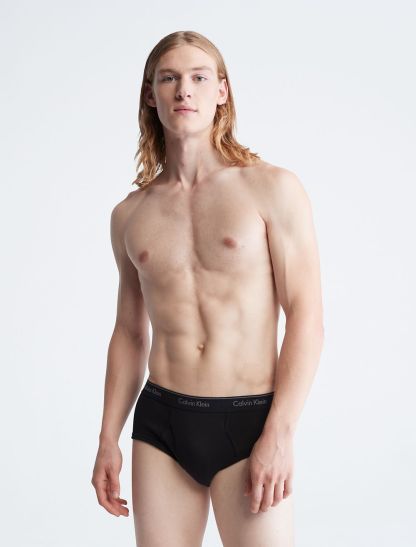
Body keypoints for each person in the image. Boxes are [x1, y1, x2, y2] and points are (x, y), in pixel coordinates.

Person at [91, 30, 324, 547]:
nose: (184, 90)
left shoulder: (272, 188)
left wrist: (280, 432)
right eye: (169, 78)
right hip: (161, 426)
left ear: (222, 91)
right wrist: (108, 436)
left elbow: (306, 316)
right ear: (150, 94)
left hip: (249, 422)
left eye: (199, 78)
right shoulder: (130, 214)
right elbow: (129, 333)